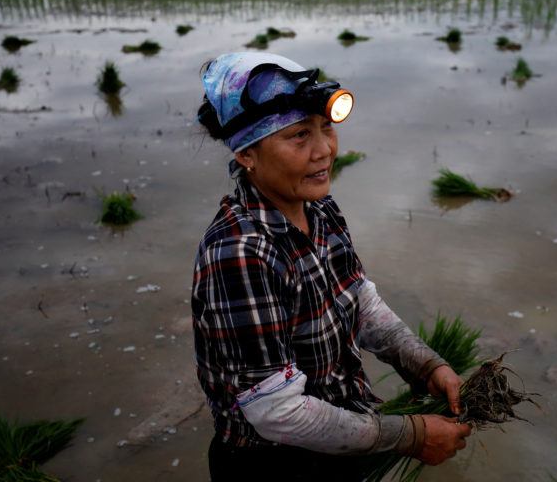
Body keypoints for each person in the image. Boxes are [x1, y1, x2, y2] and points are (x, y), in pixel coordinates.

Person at [191, 52, 472, 481]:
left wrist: (424, 364)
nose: (324, 151)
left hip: (341, 441)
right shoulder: (241, 253)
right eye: (299, 136)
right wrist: (411, 435)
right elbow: (278, 413)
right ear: (247, 153)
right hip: (273, 465)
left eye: (326, 129)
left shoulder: (320, 208)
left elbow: (358, 299)